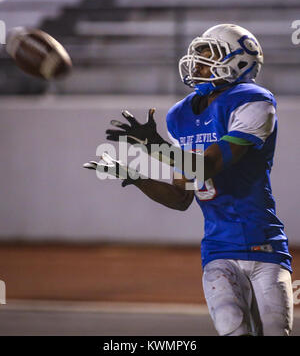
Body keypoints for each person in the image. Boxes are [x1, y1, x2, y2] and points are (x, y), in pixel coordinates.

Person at [84, 24, 293, 336]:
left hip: (266, 247)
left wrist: (154, 146)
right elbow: (181, 197)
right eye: (197, 51)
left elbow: (206, 167)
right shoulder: (181, 115)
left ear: (239, 61)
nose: (197, 59)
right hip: (218, 250)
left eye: (208, 53)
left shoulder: (253, 101)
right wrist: (134, 176)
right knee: (234, 329)